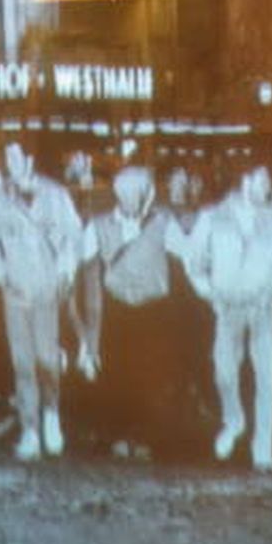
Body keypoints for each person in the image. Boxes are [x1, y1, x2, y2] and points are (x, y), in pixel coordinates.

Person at [186, 163, 272, 472]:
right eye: (263, 180)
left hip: (263, 307)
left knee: (266, 379)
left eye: (269, 180)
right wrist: (210, 294)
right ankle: (233, 420)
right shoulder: (213, 216)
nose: (268, 186)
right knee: (224, 373)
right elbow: (194, 263)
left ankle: (263, 450)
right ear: (245, 180)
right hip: (228, 307)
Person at [0, 142, 82, 462]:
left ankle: (51, 416)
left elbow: (74, 235)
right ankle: (29, 430)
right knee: (22, 363)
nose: (10, 162)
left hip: (47, 290)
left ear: (30, 159)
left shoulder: (56, 195)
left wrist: (65, 271)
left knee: (47, 360)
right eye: (6, 157)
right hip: (16, 291)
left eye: (16, 156)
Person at [81, 165, 186, 458]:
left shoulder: (165, 222)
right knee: (116, 375)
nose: (130, 198)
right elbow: (86, 266)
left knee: (152, 376)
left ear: (146, 194)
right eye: (124, 193)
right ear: (117, 194)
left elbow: (186, 257)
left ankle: (148, 438)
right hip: (117, 310)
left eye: (135, 193)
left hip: (155, 311)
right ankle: (117, 435)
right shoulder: (99, 224)